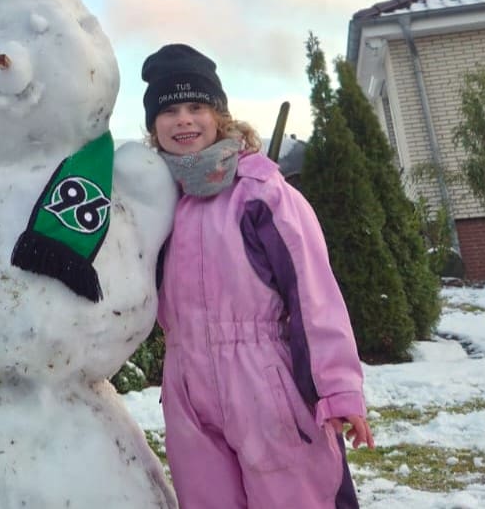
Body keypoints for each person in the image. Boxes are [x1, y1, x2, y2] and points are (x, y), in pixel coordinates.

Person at [142, 43, 373, 508]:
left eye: (196, 107)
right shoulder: (159, 201)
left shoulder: (259, 193)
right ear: (153, 126)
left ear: (220, 116)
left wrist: (337, 388)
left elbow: (312, 293)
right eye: (169, 111)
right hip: (187, 390)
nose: (183, 120)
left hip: (264, 384)